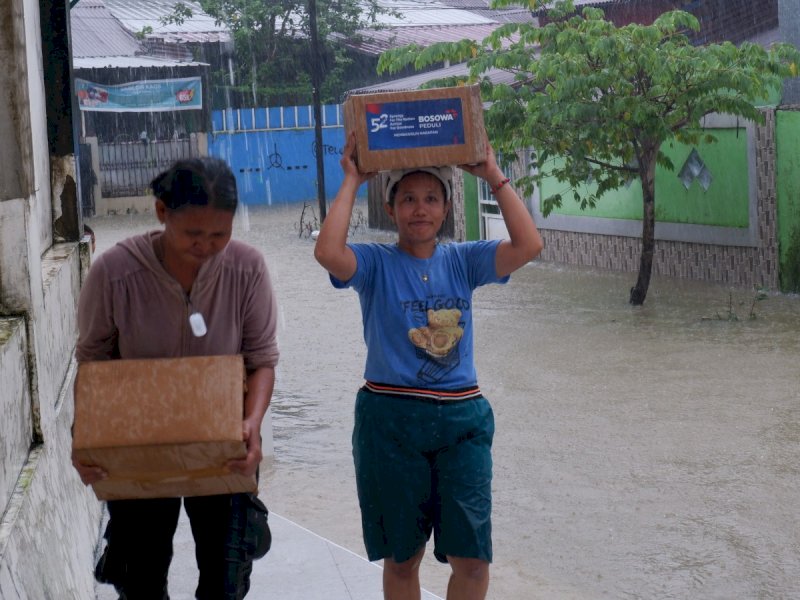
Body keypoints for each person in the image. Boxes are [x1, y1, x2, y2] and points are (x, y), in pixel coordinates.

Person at [314, 133, 543, 599]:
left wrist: (493, 175)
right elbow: (328, 253)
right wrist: (352, 179)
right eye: (410, 199)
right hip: (390, 421)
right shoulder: (375, 263)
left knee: (473, 560)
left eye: (432, 199)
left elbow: (529, 244)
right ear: (392, 206)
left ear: (446, 208)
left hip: (462, 422)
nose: (421, 209)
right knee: (402, 559)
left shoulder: (464, 260)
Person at [72, 157, 279, 600]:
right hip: (138, 442)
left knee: (226, 581)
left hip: (224, 441)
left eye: (219, 235)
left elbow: (262, 360)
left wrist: (253, 424)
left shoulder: (248, 269)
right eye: (193, 234)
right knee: (140, 579)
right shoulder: (113, 272)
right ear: (162, 212)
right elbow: (92, 363)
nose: (206, 246)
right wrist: (84, 438)